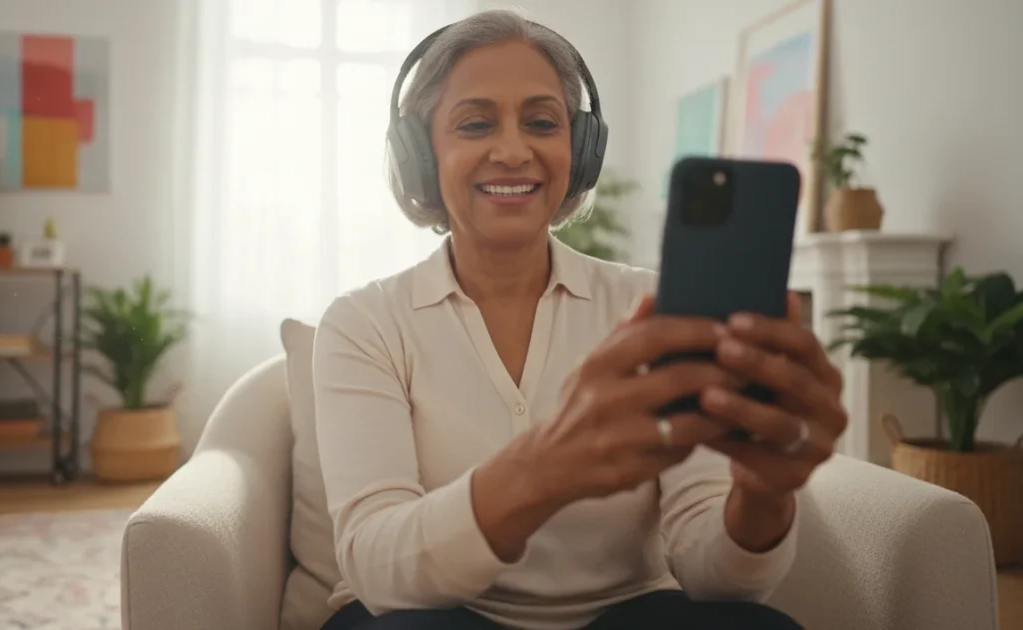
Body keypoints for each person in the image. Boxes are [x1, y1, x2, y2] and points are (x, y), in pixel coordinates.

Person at [312, 9, 847, 630]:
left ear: (581, 150)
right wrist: (545, 467)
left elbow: (717, 581)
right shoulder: (365, 322)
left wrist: (763, 493)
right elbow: (378, 569)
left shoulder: (645, 311)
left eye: (543, 122)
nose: (513, 150)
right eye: (476, 122)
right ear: (420, 157)